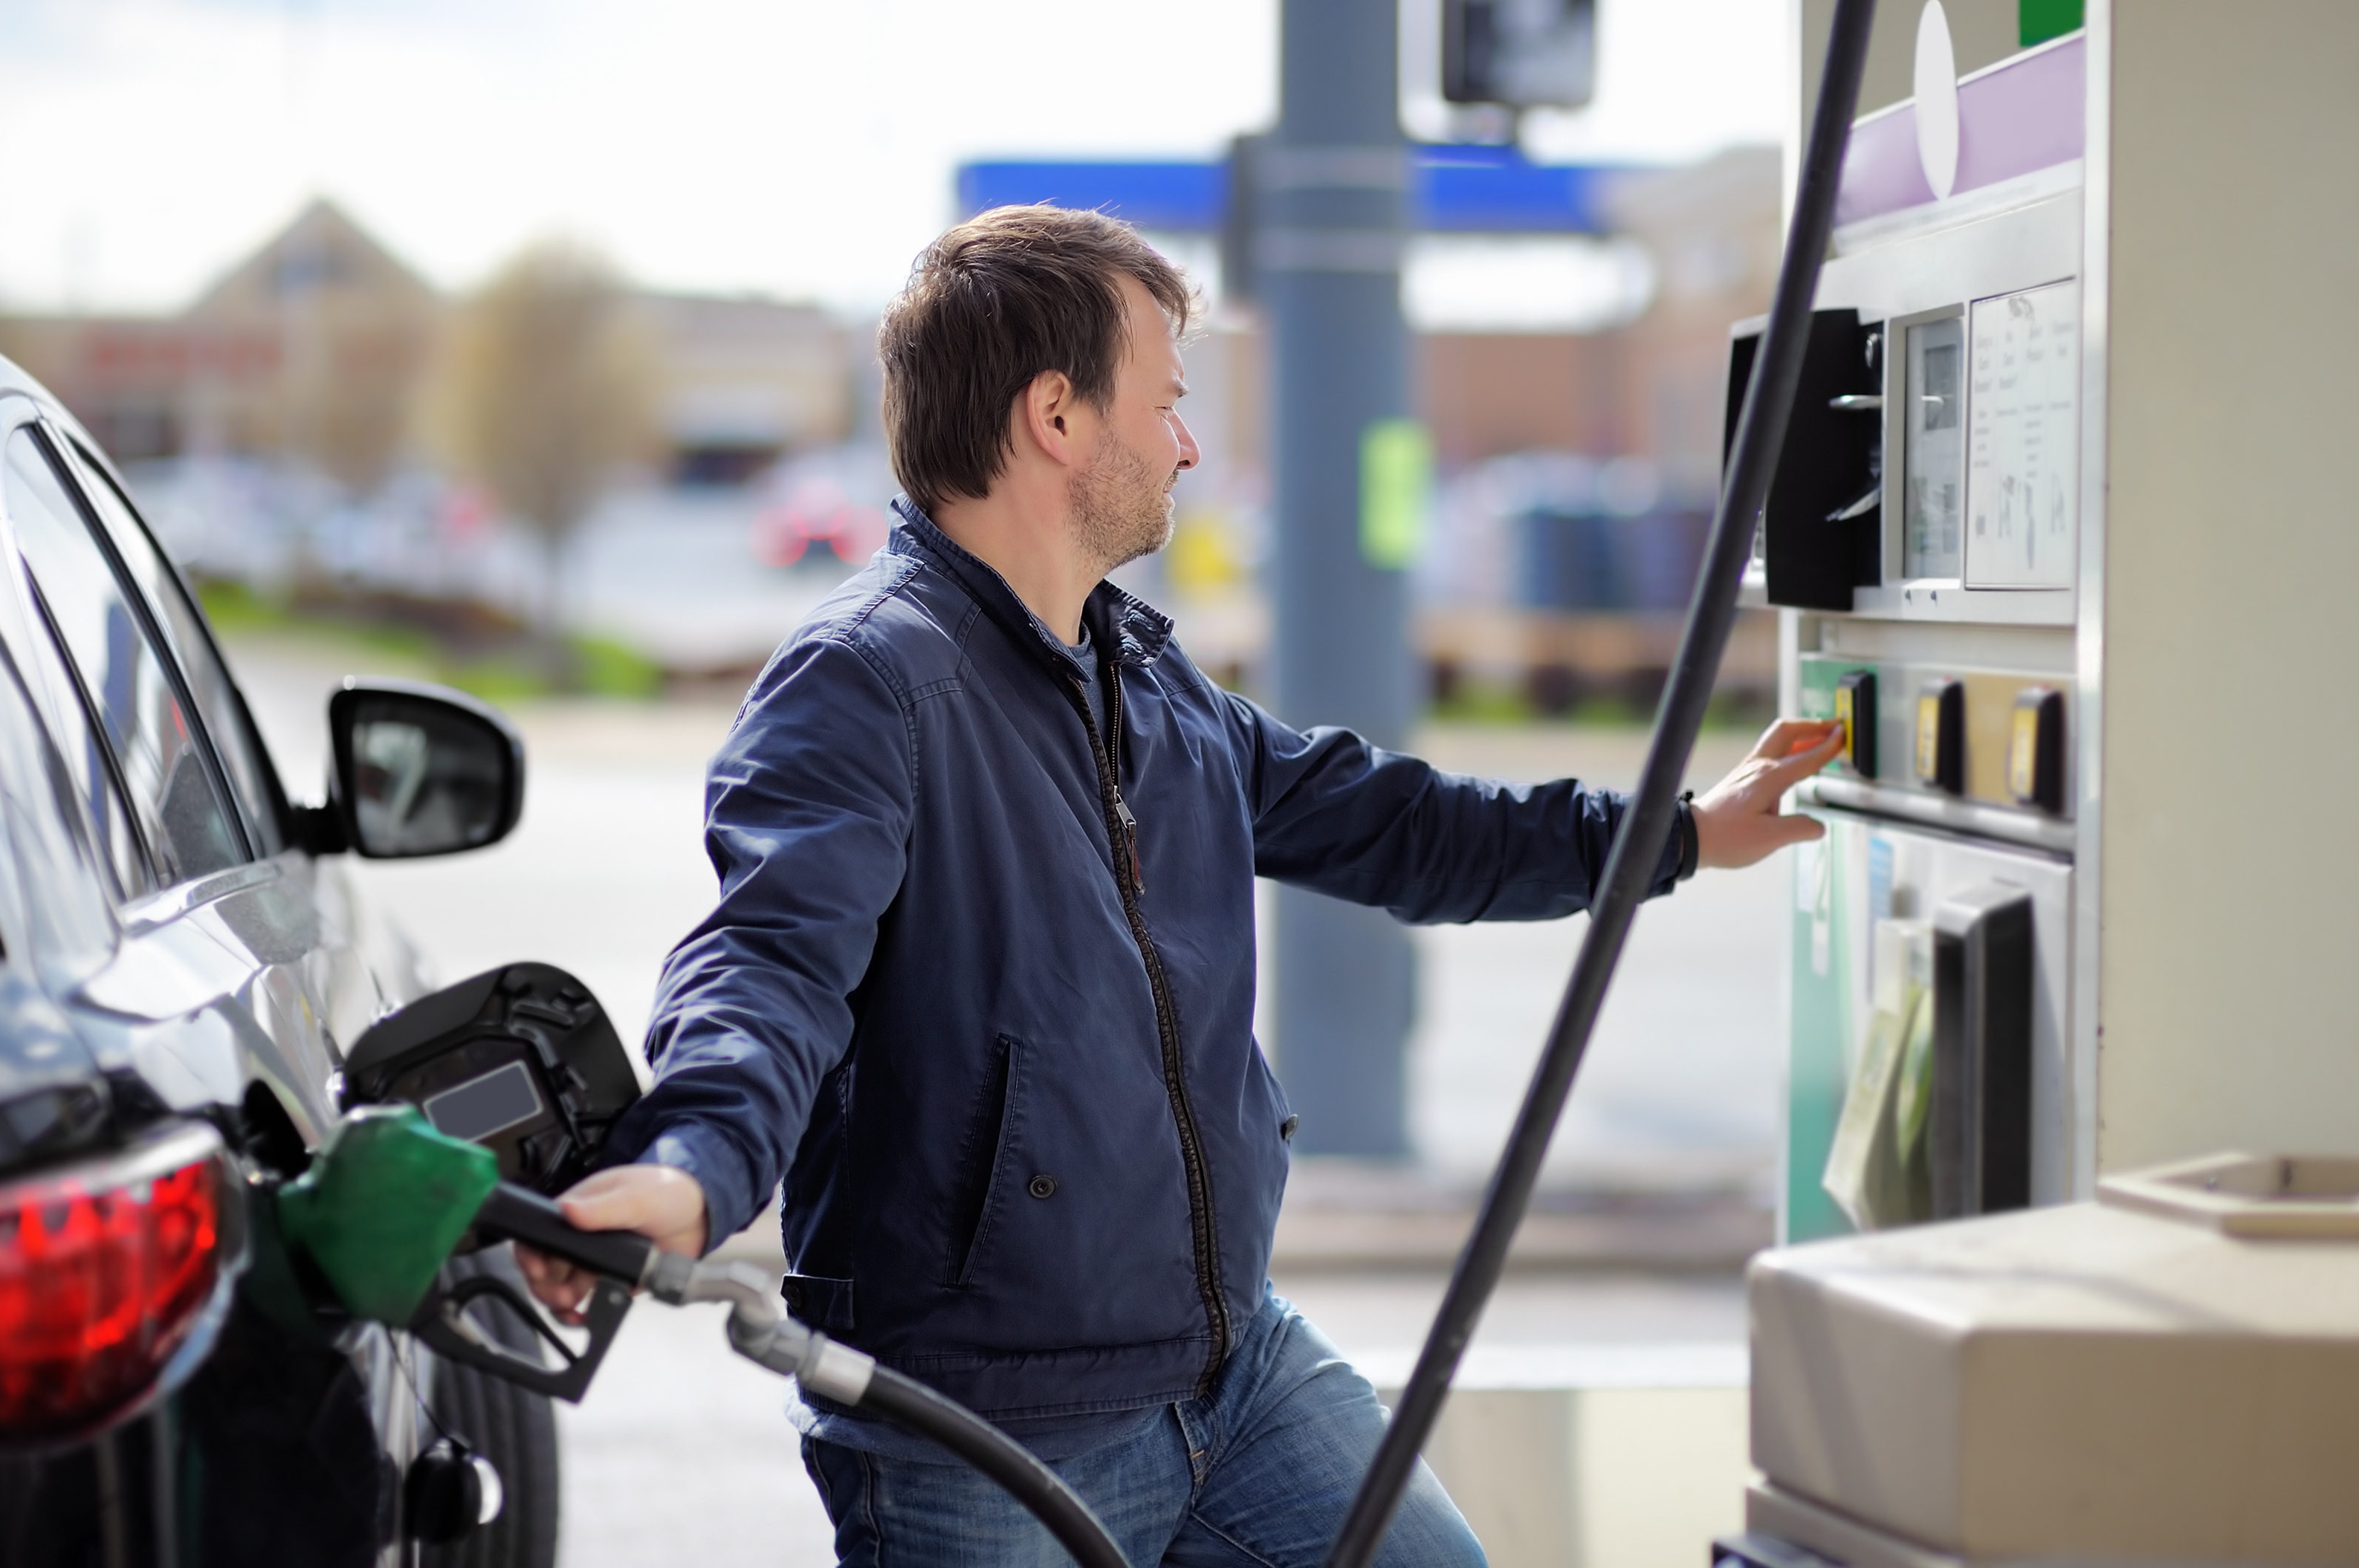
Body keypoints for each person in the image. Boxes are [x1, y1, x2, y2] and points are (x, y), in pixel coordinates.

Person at [520, 205, 1842, 1566]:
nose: (1190, 445)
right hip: (981, 1426)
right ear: (1057, 418)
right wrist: (691, 1161)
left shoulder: (1145, 681)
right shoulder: (867, 684)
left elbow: (1403, 826)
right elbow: (767, 962)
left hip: (1237, 1374)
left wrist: (1680, 833)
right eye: (1165, 403)